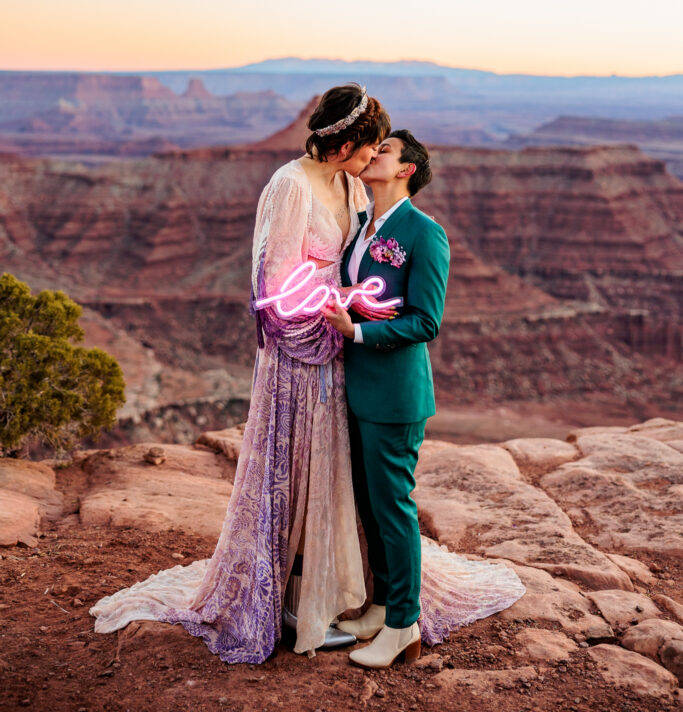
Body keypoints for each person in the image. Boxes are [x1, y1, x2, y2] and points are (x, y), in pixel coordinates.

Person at [90, 83, 391, 661]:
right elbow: (274, 286)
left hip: (338, 348)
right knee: (294, 472)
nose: (371, 160)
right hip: (299, 355)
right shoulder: (290, 185)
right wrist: (333, 313)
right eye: (367, 149)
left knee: (329, 473)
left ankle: (324, 593)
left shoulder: (350, 183)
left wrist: (357, 308)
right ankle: (280, 601)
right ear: (345, 142)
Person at [323, 131, 526, 668]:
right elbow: (358, 291)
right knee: (369, 504)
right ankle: (383, 606)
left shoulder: (424, 234)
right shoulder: (363, 226)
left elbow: (426, 321)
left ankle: (404, 628)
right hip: (357, 389)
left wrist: (357, 333)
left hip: (395, 395)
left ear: (407, 169)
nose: (372, 155)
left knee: (394, 509)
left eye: (383, 151)